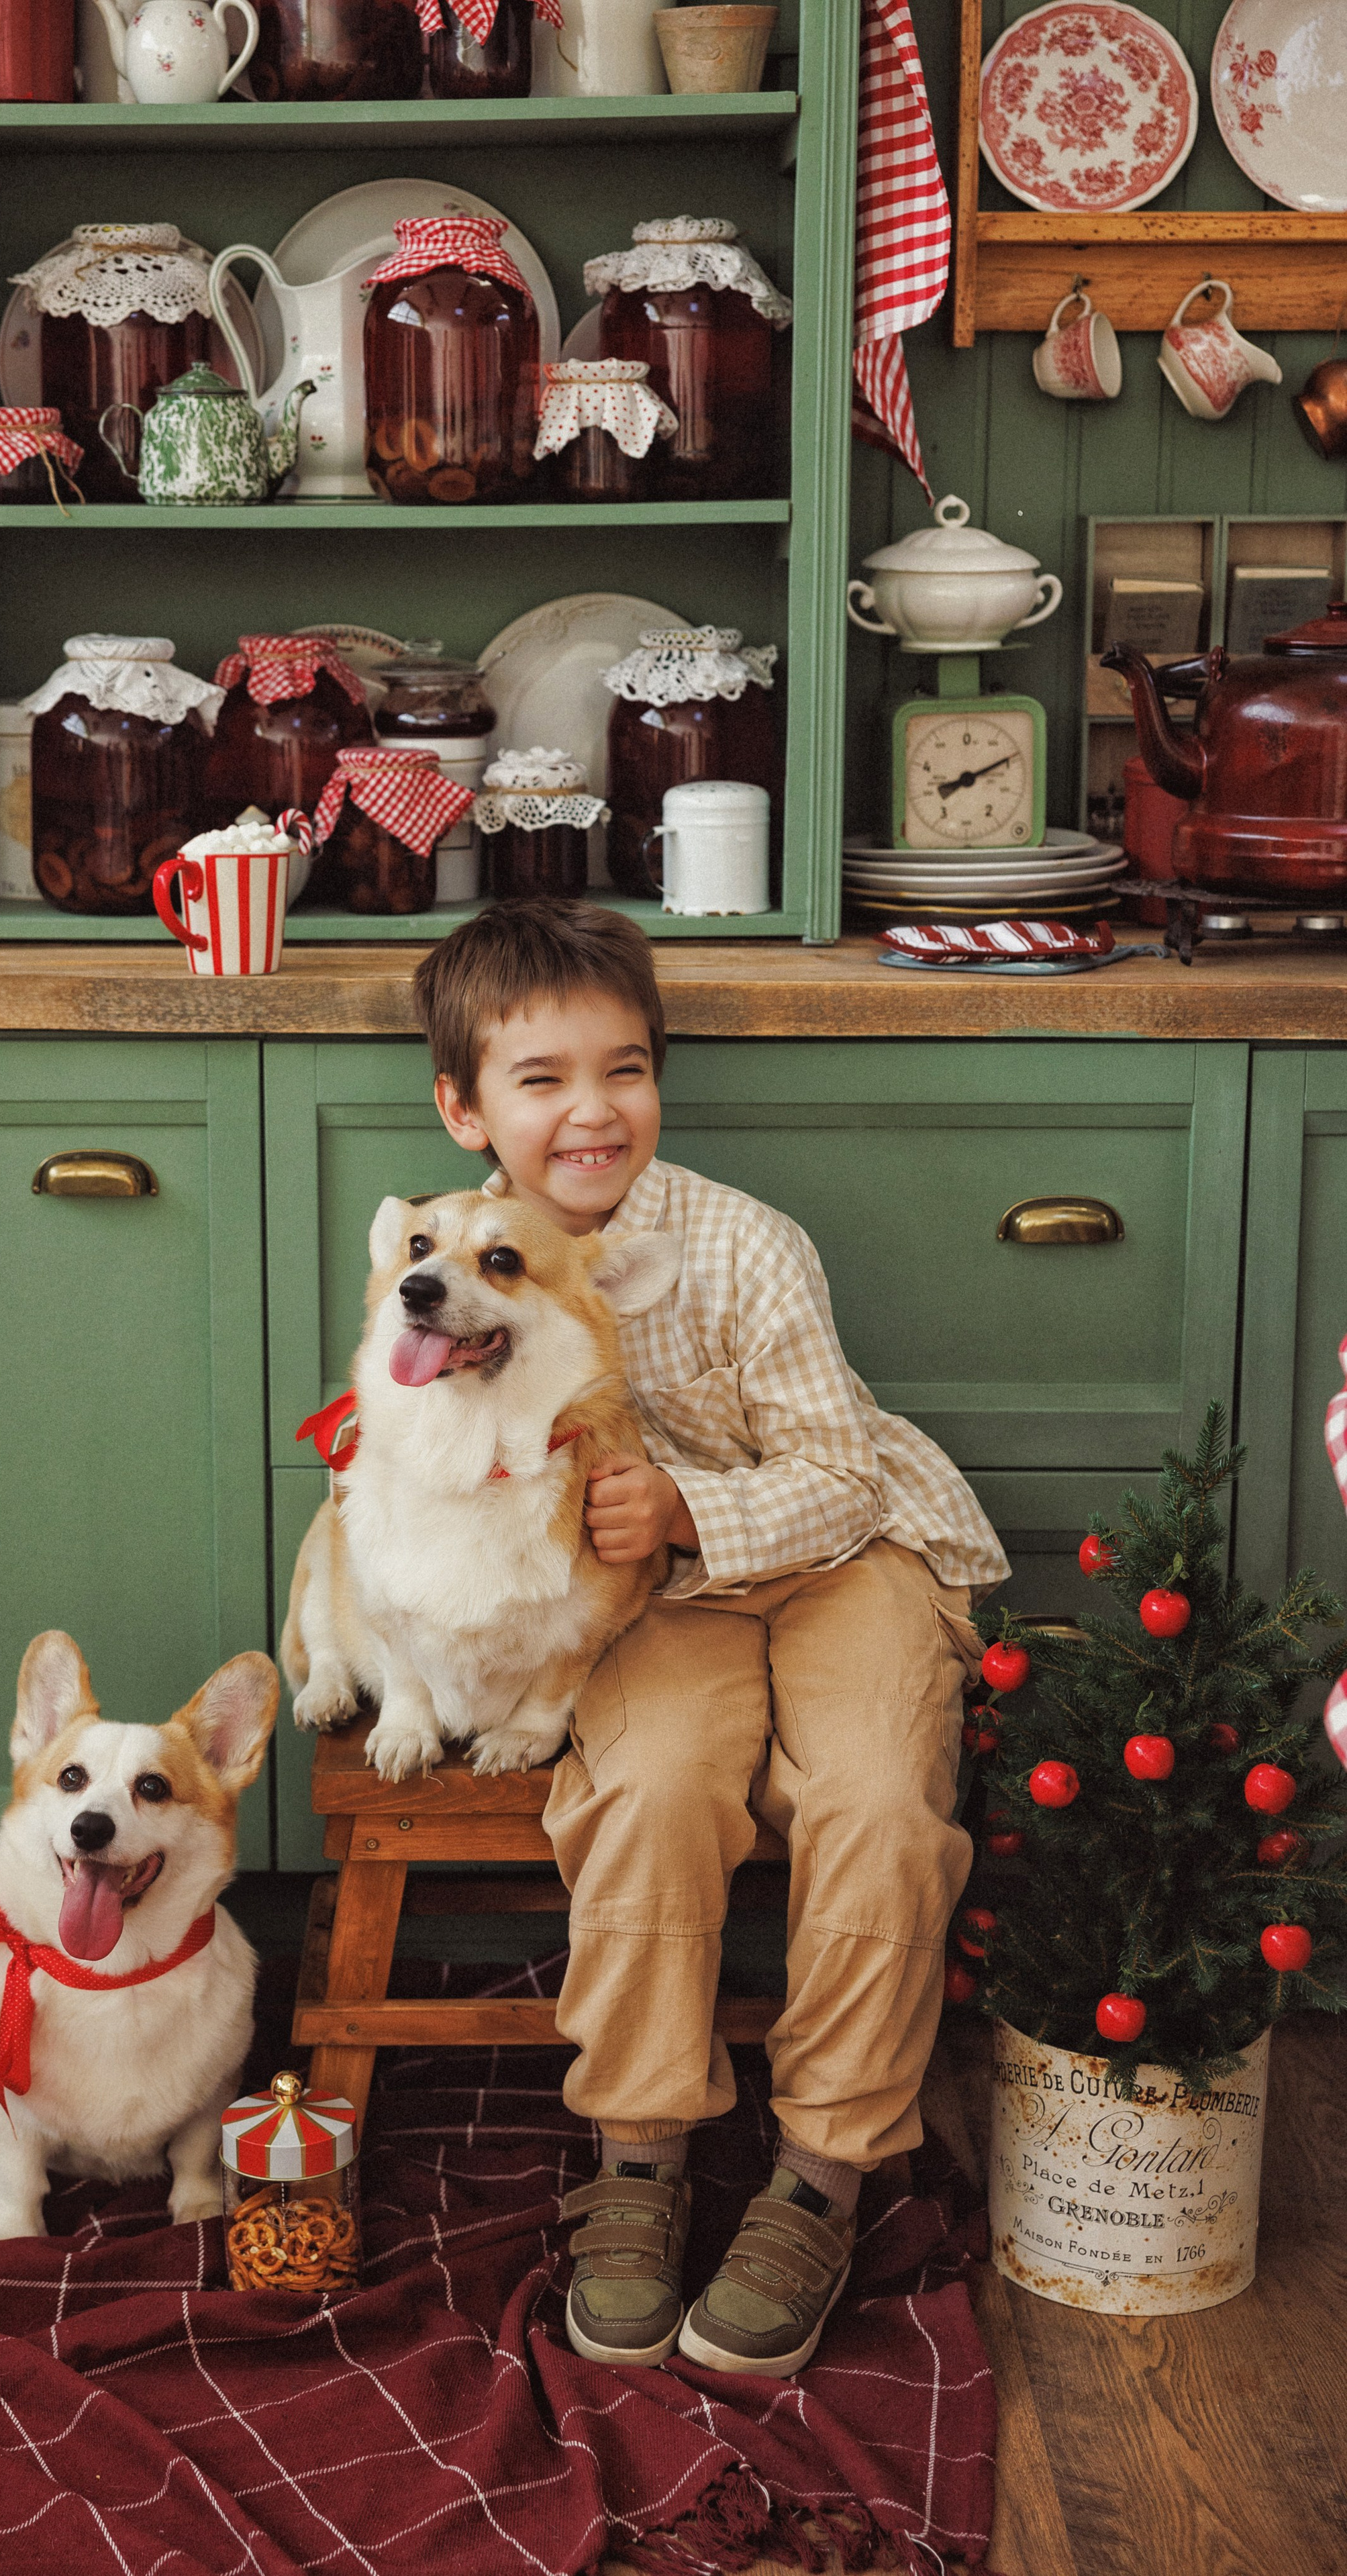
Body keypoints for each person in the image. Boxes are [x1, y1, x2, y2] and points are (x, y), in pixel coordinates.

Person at [410, 898, 1008, 2376]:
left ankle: (823, 2170)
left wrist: (687, 1505)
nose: (591, 1110)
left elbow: (841, 1475)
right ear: (465, 1109)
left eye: (623, 1069)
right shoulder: (452, 1263)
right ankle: (639, 2149)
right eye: (541, 1078)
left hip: (844, 1550)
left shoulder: (745, 1245)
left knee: (876, 1800)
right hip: (645, 1598)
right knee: (656, 1783)